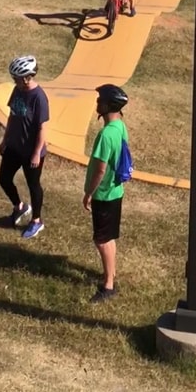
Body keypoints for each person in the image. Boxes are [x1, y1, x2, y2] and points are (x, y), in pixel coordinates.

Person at [83, 83, 130, 300]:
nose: (97, 103)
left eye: (100, 100)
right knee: (109, 237)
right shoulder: (120, 126)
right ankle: (110, 273)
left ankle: (109, 285)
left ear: (109, 105)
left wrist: (89, 192)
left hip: (103, 193)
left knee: (101, 240)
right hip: (116, 191)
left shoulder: (105, 135)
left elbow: (100, 169)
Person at [0, 54, 48, 240]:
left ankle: (36, 221)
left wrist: (36, 154)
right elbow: (12, 115)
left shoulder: (39, 97)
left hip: (31, 151)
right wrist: (5, 140)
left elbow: (43, 128)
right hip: (14, 146)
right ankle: (20, 207)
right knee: (4, 179)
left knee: (33, 185)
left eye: (16, 78)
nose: (14, 81)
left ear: (27, 77)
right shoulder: (17, 90)